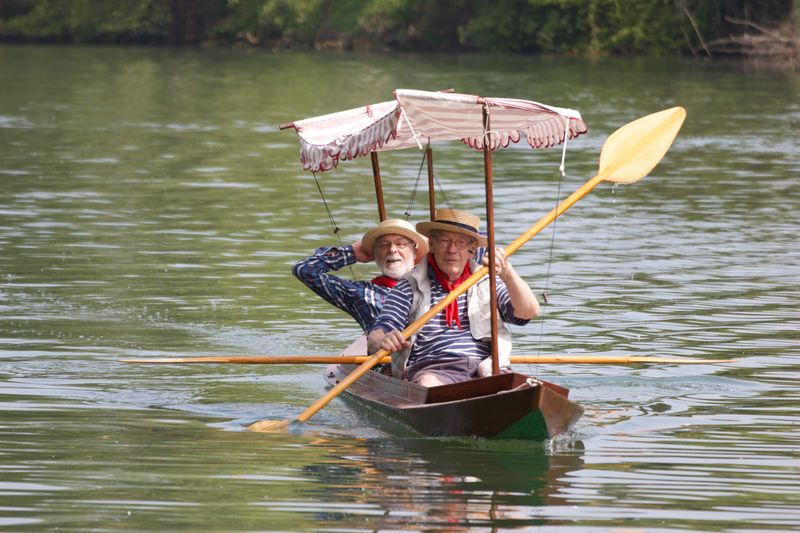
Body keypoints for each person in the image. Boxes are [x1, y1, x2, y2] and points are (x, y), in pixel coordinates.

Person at [367, 208, 540, 386]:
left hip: (486, 368)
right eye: (444, 241)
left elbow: (528, 312)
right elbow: (377, 335)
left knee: (519, 387)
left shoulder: (487, 281)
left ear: (472, 250)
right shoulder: (409, 285)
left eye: (460, 243)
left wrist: (508, 273)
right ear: (432, 245)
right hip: (432, 370)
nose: (452, 250)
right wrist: (385, 339)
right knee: (428, 384)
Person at [293, 219, 429, 332]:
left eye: (401, 244)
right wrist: (351, 253)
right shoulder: (360, 292)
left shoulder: (434, 283)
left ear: (414, 252)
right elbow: (304, 270)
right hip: (389, 360)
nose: (392, 250)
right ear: (374, 255)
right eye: (383, 245)